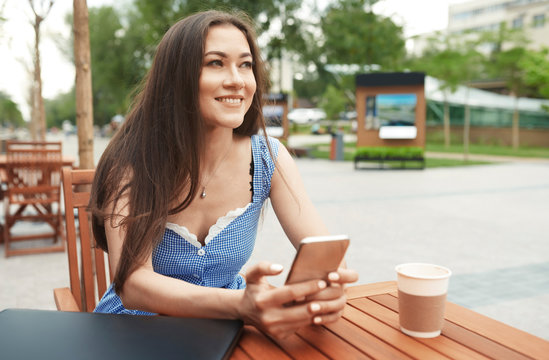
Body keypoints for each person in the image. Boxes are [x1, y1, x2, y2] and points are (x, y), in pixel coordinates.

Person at [90, 10, 358, 340]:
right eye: (215, 63)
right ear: (177, 77)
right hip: (136, 330)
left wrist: (325, 288)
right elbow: (132, 283)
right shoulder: (131, 163)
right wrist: (238, 305)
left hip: (225, 330)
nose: (237, 79)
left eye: (245, 64)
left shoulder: (268, 157)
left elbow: (321, 249)